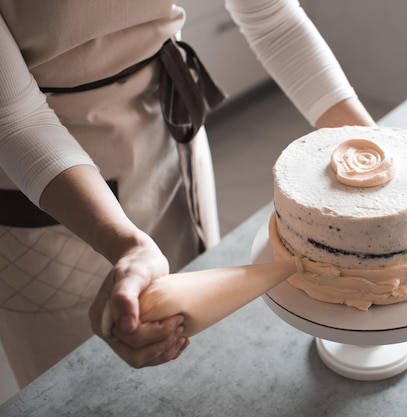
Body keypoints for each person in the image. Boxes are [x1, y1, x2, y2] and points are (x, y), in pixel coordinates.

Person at [0, 0, 376, 388]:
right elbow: (16, 119)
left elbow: (271, 17)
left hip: (166, 121)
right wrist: (127, 245)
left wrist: (376, 150)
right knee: (78, 383)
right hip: (49, 181)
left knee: (194, 346)